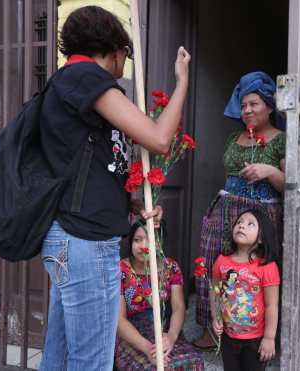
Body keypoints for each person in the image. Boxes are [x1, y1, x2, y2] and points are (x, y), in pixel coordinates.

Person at [38, 6, 190, 370]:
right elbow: (158, 138)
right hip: (85, 241)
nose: (126, 64)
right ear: (115, 49)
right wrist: (182, 82)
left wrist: (132, 203)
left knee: (59, 359)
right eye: (128, 54)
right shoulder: (86, 78)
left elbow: (88, 166)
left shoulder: (71, 83)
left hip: (70, 237)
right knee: (92, 362)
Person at [194, 71, 285, 349]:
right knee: (213, 267)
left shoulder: (281, 140)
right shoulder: (235, 137)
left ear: (269, 105)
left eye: (254, 104)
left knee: (251, 273)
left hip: (259, 214)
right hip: (224, 212)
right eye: (243, 105)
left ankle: (257, 334)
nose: (247, 111)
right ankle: (213, 329)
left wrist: (269, 170)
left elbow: (288, 186)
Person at [115, 220, 204, 370]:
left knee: (193, 361)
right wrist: (149, 349)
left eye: (151, 239)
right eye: (138, 240)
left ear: (160, 243)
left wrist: (171, 336)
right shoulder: (121, 270)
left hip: (162, 329)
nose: (144, 246)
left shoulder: (170, 267)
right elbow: (119, 320)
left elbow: (178, 308)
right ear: (130, 242)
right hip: (130, 335)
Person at [210, 209, 280, 371]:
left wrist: (269, 338)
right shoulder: (221, 261)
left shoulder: (267, 267)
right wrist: (216, 317)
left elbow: (272, 306)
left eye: (250, 224)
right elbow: (215, 291)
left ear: (261, 237)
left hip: (255, 340)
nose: (242, 226)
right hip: (229, 336)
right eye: (239, 222)